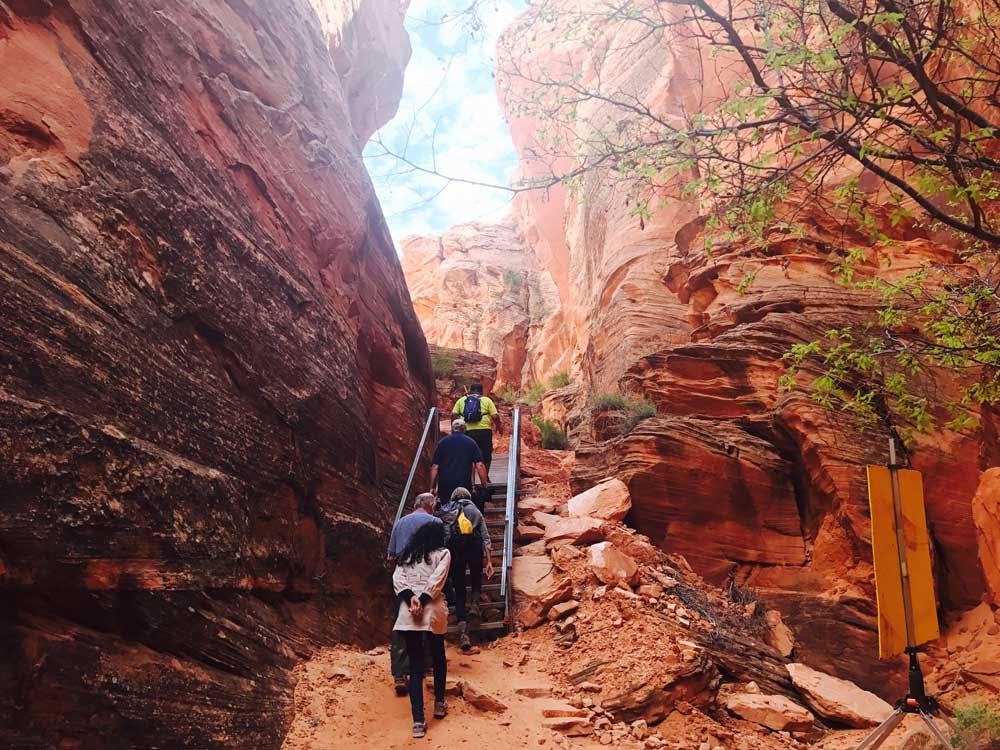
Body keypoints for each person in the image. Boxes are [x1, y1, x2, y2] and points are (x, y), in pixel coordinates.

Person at [392, 521, 451, 739]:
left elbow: (398, 579)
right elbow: (438, 579)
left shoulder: (407, 556)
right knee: (438, 657)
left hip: (409, 612)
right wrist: (424, 599)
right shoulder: (443, 553)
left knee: (415, 665)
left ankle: (418, 721)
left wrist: (411, 599)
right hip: (433, 610)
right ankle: (439, 703)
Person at [386, 493, 442, 696]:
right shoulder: (435, 522)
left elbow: (391, 553)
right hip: (427, 578)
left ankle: (400, 673)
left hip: (403, 580)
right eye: (434, 504)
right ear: (430, 505)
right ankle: (423, 666)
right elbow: (440, 550)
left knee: (402, 624)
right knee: (425, 623)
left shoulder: (400, 523)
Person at [435, 487, 494, 651]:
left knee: (459, 590)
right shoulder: (475, 511)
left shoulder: (448, 511)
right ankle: (475, 604)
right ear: (468, 496)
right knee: (476, 579)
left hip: (455, 552)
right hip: (474, 549)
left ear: (454, 497)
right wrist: (489, 561)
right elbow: (486, 537)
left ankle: (463, 632)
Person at [429, 418, 489, 505]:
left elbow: (435, 466)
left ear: (452, 429)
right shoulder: (471, 442)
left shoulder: (442, 443)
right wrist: (484, 485)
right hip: (464, 484)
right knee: (463, 508)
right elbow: (480, 465)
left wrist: (432, 487)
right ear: (464, 429)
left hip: (445, 484)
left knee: (446, 509)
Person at [452, 383, 502, 475]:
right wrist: (499, 427)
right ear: (481, 391)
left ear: (470, 390)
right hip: (484, 431)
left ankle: (471, 480)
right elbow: (495, 416)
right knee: (486, 455)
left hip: (466, 431)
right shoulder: (487, 400)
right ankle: (486, 477)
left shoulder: (462, 400)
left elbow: (454, 414)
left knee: (468, 455)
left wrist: (454, 429)